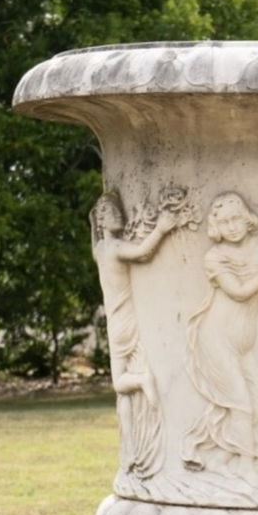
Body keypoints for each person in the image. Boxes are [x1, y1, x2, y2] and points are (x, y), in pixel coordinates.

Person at [181, 192, 258, 479]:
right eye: (224, 221)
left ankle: (219, 459)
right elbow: (239, 292)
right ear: (216, 226)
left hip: (243, 342)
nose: (231, 227)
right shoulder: (215, 256)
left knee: (256, 404)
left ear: (247, 220)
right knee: (241, 403)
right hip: (216, 339)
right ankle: (246, 469)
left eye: (235, 219)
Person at [91, 190, 174, 483]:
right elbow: (142, 252)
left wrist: (95, 219)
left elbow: (95, 234)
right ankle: (141, 380)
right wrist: (162, 228)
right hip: (125, 319)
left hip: (117, 321)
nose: (120, 217)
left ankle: (131, 453)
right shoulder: (113, 248)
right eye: (113, 213)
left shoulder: (99, 249)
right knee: (120, 382)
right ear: (102, 221)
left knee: (120, 388)